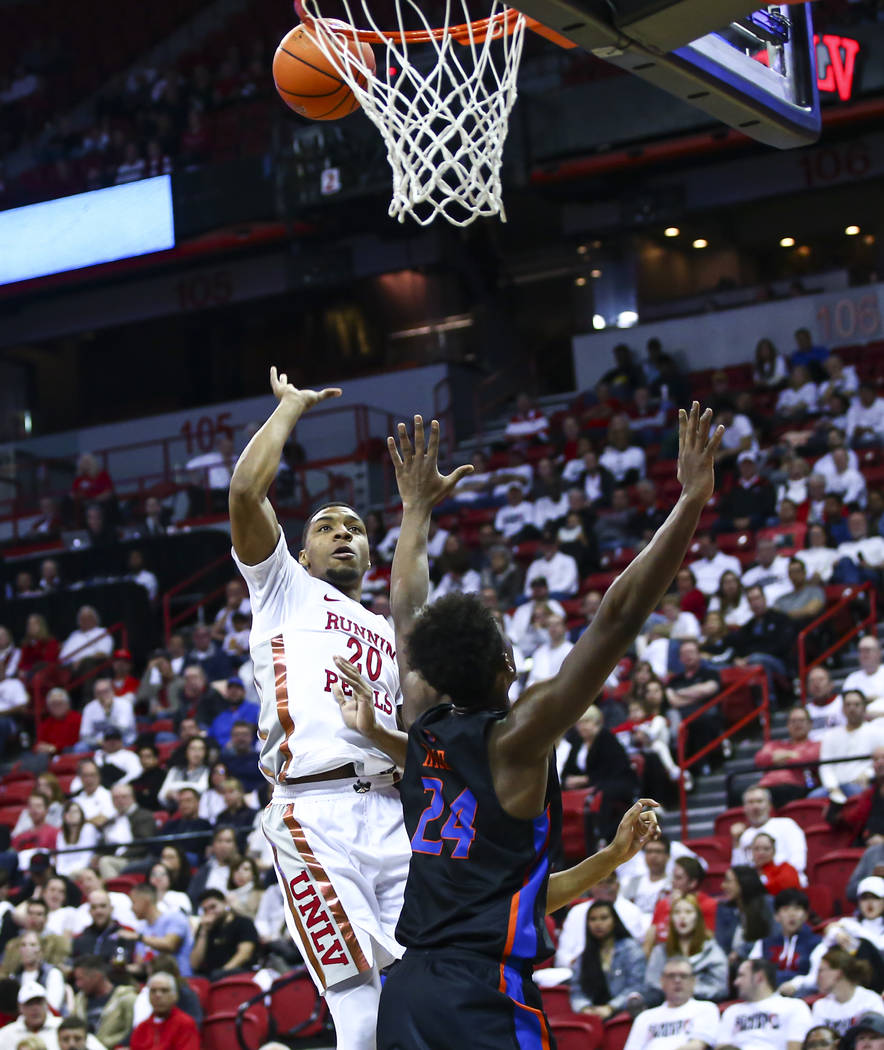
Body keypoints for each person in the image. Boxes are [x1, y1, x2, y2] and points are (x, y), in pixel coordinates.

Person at [361, 404, 724, 1049]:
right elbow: (615, 620)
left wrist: (414, 510)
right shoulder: (516, 741)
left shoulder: (423, 725)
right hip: (482, 995)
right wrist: (691, 501)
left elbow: (408, 612)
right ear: (505, 666)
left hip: (409, 993)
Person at [227, 370, 423, 1048]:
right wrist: (287, 411)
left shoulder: (387, 628)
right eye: (326, 527)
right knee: (358, 1002)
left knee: (427, 981)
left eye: (356, 528)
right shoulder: (282, 589)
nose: (344, 534)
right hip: (313, 811)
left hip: (391, 811)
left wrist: (418, 512)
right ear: (301, 550)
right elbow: (245, 492)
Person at [643, 896, 729, 1007]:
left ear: (697, 918)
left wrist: (687, 990)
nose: (682, 917)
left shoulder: (712, 951)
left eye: (688, 912)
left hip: (703, 1006)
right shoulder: (660, 951)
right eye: (677, 912)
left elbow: (721, 988)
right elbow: (651, 983)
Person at [623, 956, 720, 1050]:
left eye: (683, 976)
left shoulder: (706, 1009)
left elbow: (697, 1046)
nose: (677, 980)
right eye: (671, 976)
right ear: (662, 981)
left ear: (693, 981)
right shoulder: (644, 1017)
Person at [570, 900, 647, 1018]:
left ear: (614, 921)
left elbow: (637, 986)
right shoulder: (584, 955)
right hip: (592, 1014)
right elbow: (576, 989)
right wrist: (585, 1008)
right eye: (593, 919)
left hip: (623, 1013)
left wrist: (611, 1007)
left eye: (604, 918)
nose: (598, 923)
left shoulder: (631, 949)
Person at [716, 959, 812, 1050]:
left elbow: (795, 1046)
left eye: (741, 975)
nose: (736, 982)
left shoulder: (794, 1006)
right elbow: (722, 1047)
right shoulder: (732, 1011)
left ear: (759, 977)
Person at [730, 786, 808, 878]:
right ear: (744, 808)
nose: (755, 807)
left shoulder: (787, 825)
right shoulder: (744, 836)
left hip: (788, 884)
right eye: (750, 802)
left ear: (769, 805)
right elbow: (738, 872)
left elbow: (799, 862)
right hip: (758, 888)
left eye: (759, 801)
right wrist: (736, 842)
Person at [750, 889, 821, 989]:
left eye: (797, 909)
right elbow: (752, 970)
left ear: (805, 916)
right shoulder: (764, 942)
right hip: (769, 994)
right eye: (786, 909)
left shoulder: (817, 943)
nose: (792, 914)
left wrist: (796, 984)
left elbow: (817, 977)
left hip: (801, 995)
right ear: (776, 916)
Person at [754, 707, 820, 807]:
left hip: (795, 787)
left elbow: (808, 759)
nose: (797, 724)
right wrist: (791, 754)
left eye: (801, 720)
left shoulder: (816, 745)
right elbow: (759, 759)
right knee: (739, 794)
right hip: (765, 787)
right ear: (788, 725)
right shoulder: (774, 744)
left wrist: (779, 756)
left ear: (810, 724)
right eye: (793, 721)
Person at [189, 889, 258, 979]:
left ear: (225, 903)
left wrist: (223, 972)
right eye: (205, 910)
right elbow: (194, 964)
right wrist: (204, 932)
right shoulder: (204, 927)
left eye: (213, 907)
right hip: (209, 976)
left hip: (238, 974)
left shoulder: (244, 923)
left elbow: (244, 954)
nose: (210, 912)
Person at [809, 949, 882, 1035]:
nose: (817, 978)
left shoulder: (870, 1000)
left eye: (821, 971)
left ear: (838, 973)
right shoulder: (820, 1006)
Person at [71, 955, 136, 1050]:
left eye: (81, 979)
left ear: (97, 976)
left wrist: (103, 1043)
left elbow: (132, 1031)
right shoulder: (79, 1000)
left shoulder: (127, 998)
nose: (78, 984)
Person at [715, 866, 774, 964]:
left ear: (743, 882)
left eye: (728, 881)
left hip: (760, 964)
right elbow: (721, 945)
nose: (723, 886)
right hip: (730, 966)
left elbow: (772, 939)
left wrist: (740, 952)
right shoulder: (724, 909)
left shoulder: (767, 905)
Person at [128, 972, 198, 1050]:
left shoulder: (185, 1024)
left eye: (164, 991)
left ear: (175, 995)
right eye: (153, 991)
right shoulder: (141, 1028)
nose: (158, 995)